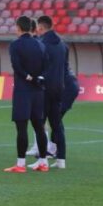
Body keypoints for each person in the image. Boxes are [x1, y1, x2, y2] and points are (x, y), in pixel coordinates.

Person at [5, 15, 49, 173]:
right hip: (38, 90)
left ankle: (21, 164)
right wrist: (38, 78)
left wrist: (27, 77)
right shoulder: (40, 44)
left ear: (18, 27)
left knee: (21, 128)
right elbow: (47, 65)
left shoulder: (16, 45)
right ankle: (43, 162)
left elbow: (16, 66)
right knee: (39, 127)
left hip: (23, 90)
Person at [35, 15, 68, 170]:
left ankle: (42, 160)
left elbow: (38, 67)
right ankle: (61, 160)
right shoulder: (62, 44)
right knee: (57, 125)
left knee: (40, 124)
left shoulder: (41, 44)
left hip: (44, 88)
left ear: (41, 28)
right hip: (59, 88)